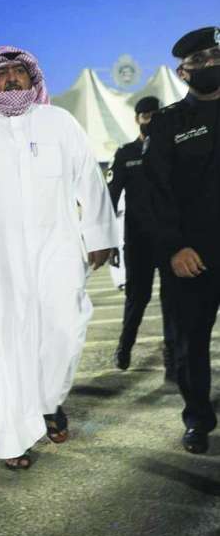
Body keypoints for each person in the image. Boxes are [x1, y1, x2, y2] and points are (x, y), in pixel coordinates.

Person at [0, 45, 117, 470]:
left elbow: (89, 180)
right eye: (1, 74)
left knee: (66, 330)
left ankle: (48, 403)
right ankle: (13, 437)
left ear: (34, 80)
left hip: (59, 249)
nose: (11, 78)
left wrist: (99, 235)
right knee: (7, 345)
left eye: (19, 72)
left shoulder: (60, 123)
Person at [143, 26, 220, 454]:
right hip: (193, 256)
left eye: (216, 55)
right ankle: (198, 420)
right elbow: (155, 193)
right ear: (183, 72)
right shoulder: (168, 123)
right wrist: (174, 247)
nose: (211, 64)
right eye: (200, 60)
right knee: (191, 345)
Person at [107, 97, 177, 380]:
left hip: (171, 241)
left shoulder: (173, 150)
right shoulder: (126, 154)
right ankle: (125, 347)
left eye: (155, 115)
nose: (151, 120)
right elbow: (110, 198)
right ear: (137, 119)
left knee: (173, 302)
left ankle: (173, 360)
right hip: (138, 242)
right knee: (137, 298)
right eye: (146, 115)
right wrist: (107, 241)